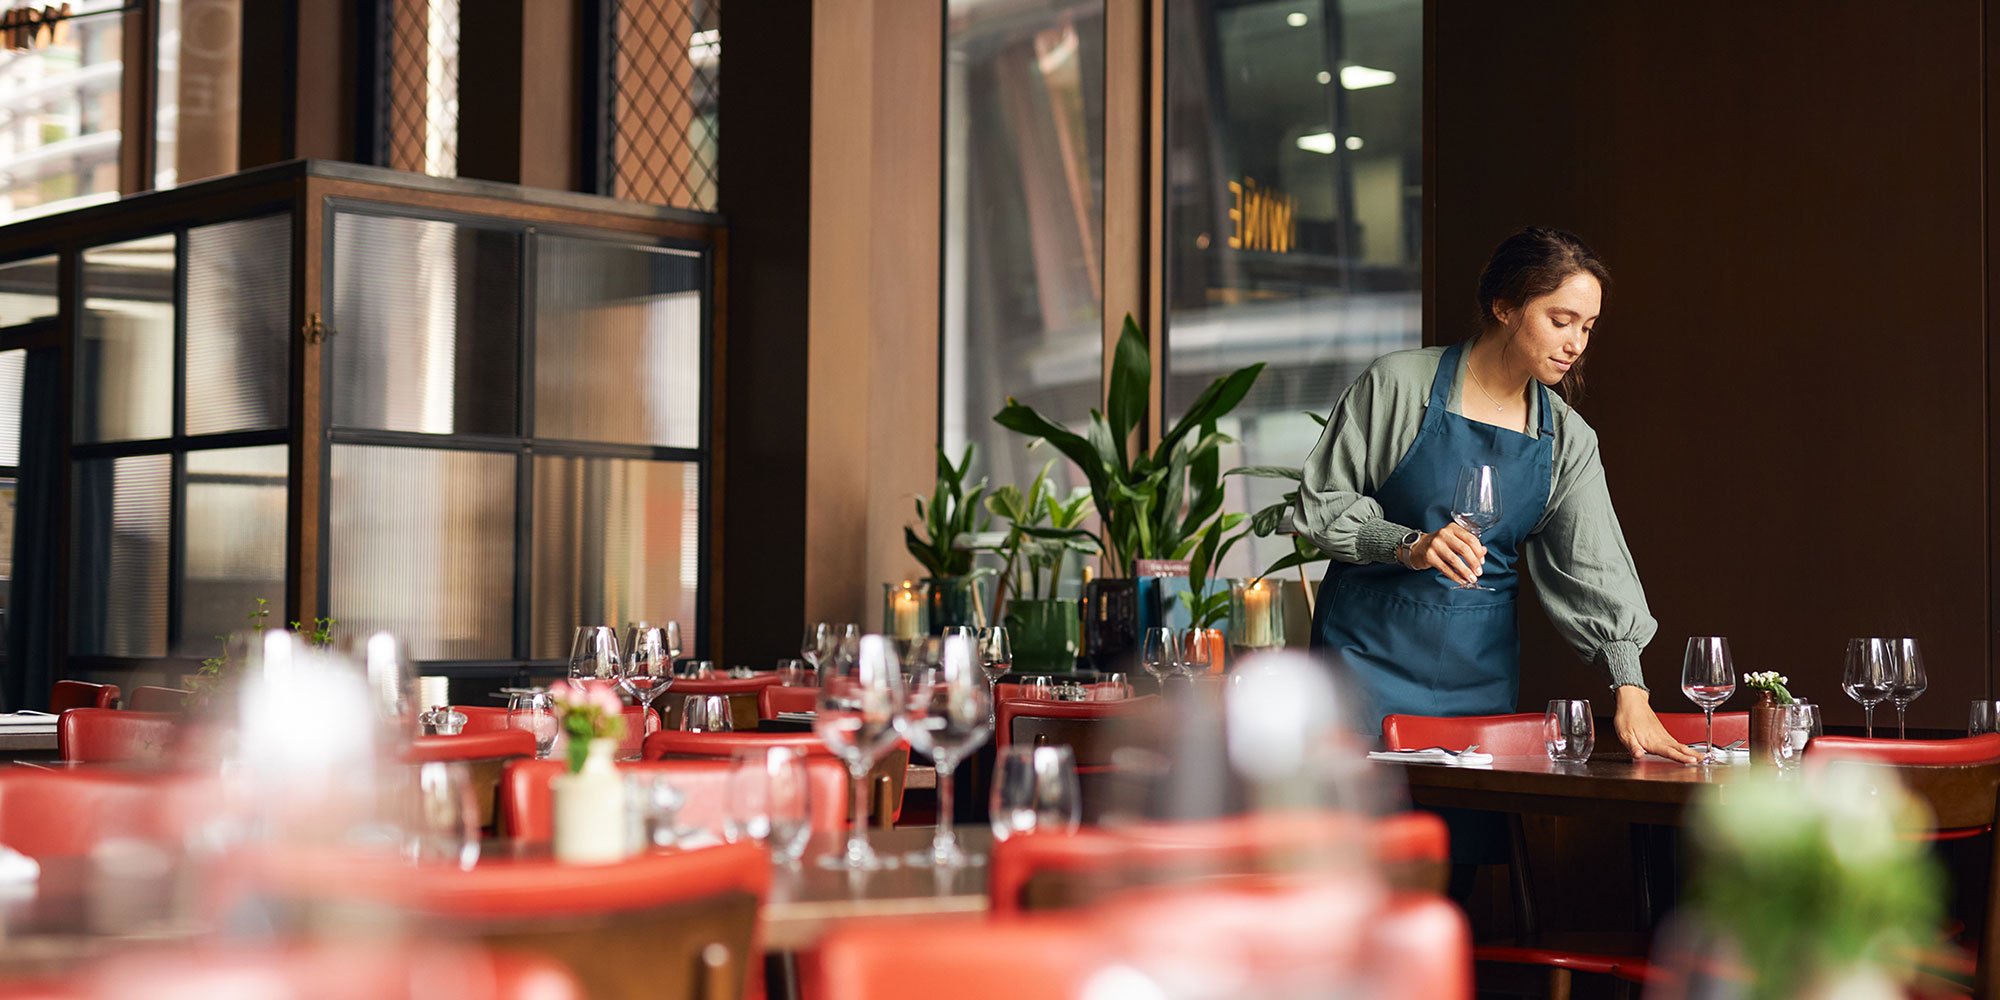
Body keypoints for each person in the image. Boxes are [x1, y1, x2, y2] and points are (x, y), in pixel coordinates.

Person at [1296, 226, 1696, 764]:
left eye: (1588, 327)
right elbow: (1324, 500)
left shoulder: (1567, 438)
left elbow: (1595, 565)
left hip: (1479, 676)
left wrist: (1631, 688)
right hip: (1365, 663)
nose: (1575, 344)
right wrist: (1407, 544)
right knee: (1369, 840)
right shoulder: (1398, 385)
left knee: (1473, 838)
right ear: (1504, 306)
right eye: (1560, 321)